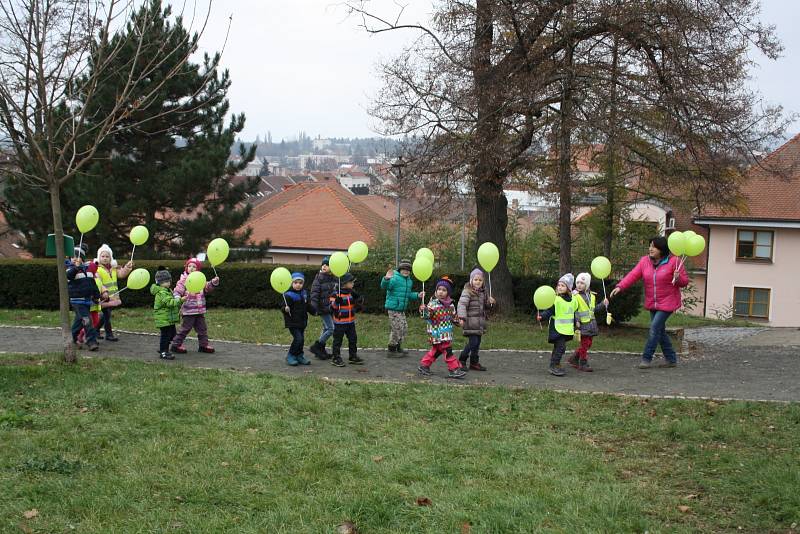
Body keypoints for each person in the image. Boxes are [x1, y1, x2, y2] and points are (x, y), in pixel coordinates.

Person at [610, 236, 688, 369]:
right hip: (653, 302)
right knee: (660, 331)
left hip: (668, 302)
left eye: (654, 246)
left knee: (654, 328)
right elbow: (633, 275)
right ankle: (671, 359)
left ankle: (646, 358)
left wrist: (678, 277)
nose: (650, 249)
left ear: (662, 249)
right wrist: (620, 286)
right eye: (650, 245)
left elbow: (684, 282)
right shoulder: (644, 261)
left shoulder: (675, 262)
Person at [417, 276, 466, 379]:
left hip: (446, 334)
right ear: (436, 291)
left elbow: (453, 317)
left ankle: (424, 365)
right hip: (437, 334)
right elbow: (426, 315)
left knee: (436, 351)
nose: (441, 292)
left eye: (444, 290)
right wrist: (423, 310)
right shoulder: (433, 304)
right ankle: (453, 369)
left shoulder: (451, 305)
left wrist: (459, 322)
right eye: (439, 289)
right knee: (448, 351)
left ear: (448, 292)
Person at [170, 257, 219, 354]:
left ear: (198, 269)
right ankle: (176, 345)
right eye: (189, 266)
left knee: (202, 329)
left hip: (199, 310)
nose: (191, 268)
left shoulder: (200, 279)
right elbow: (177, 291)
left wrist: (213, 282)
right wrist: (177, 298)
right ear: (186, 268)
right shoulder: (183, 280)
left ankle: (203, 345)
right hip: (188, 311)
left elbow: (206, 288)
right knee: (185, 329)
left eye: (194, 266)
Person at [537, 273, 579, 377]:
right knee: (560, 347)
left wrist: (577, 322)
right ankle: (553, 365)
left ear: (568, 288)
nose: (560, 287)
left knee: (560, 348)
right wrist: (542, 316)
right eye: (559, 285)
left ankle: (555, 363)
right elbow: (549, 311)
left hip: (566, 330)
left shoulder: (573, 300)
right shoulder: (556, 300)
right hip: (557, 329)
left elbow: (573, 312)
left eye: (563, 285)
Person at [381, 258, 424, 356]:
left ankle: (397, 346)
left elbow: (408, 294)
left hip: (401, 310)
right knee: (397, 329)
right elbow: (384, 286)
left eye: (408, 270)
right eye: (404, 269)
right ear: (400, 269)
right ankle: (391, 350)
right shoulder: (394, 278)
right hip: (393, 308)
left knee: (404, 328)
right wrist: (386, 279)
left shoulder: (409, 281)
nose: (406, 271)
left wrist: (417, 295)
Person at [569, 272, 609, 372]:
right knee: (585, 344)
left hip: (591, 324)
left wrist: (603, 304)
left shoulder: (592, 295)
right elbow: (574, 310)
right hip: (582, 325)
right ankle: (583, 362)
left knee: (588, 344)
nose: (579, 285)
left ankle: (574, 358)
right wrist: (577, 321)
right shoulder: (575, 296)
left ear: (587, 284)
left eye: (582, 283)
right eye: (577, 282)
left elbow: (593, 310)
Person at [457, 268, 495, 371]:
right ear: (471, 280)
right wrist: (461, 317)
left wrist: (490, 303)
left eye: (480, 280)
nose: (478, 282)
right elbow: (462, 305)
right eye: (475, 279)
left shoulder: (483, 292)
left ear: (483, 281)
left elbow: (486, 308)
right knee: (473, 343)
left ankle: (474, 362)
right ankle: (461, 360)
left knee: (477, 343)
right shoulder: (467, 291)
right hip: (470, 322)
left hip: (479, 323)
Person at [94, 244, 133, 341]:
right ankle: (108, 334)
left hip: (113, 296)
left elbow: (121, 274)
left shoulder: (114, 268)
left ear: (111, 258)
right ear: (99, 257)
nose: (105, 258)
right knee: (106, 315)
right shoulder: (97, 269)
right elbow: (98, 282)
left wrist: (127, 268)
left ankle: (96, 330)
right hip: (104, 296)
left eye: (107, 256)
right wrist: (103, 293)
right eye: (102, 256)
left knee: (105, 315)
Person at [66, 245, 100, 351]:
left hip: (86, 300)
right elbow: (69, 276)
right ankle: (91, 341)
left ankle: (71, 338)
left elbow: (92, 284)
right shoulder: (69, 268)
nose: (75, 258)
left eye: (78, 256)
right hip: (76, 301)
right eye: (73, 257)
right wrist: (76, 268)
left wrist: (96, 296)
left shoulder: (88, 270)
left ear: (83, 259)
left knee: (79, 321)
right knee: (87, 320)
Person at [150, 266, 185, 360]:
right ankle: (164, 351)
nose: (168, 283)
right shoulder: (162, 293)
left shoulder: (167, 290)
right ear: (159, 283)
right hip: (164, 319)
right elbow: (170, 303)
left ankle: (163, 347)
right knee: (166, 336)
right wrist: (181, 300)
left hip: (168, 319)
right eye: (165, 282)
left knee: (172, 334)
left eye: (169, 281)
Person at [329, 273, 364, 367]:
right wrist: (336, 302)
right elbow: (332, 308)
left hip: (350, 321)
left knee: (353, 339)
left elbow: (356, 304)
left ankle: (353, 356)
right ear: (344, 283)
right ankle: (336, 357)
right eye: (351, 282)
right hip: (339, 323)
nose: (353, 284)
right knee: (338, 341)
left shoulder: (351, 293)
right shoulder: (335, 294)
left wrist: (359, 302)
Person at [282, 272, 315, 366]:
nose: (298, 285)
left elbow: (307, 305)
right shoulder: (288, 295)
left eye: (300, 283)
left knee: (301, 340)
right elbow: (283, 307)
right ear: (291, 283)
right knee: (298, 339)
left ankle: (300, 355)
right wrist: (285, 309)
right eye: (295, 282)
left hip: (302, 321)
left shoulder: (304, 293)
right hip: (292, 322)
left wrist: (314, 311)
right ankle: (290, 355)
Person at [309, 257, 336, 360]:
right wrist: (314, 307)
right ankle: (317, 346)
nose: (324, 266)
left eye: (327, 265)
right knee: (331, 328)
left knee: (325, 328)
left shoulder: (333, 278)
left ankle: (320, 350)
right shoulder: (319, 278)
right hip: (322, 308)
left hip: (330, 308)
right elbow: (314, 293)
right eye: (323, 264)